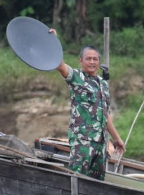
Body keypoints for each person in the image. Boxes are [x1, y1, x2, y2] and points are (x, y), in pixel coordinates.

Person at [50, 31, 125, 181]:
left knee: (96, 183)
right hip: (82, 140)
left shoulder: (103, 84)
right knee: (76, 179)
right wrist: (53, 41)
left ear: (99, 61)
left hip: (100, 143)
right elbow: (59, 65)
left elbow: (105, 114)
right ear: (81, 61)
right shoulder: (77, 77)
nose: (92, 62)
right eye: (88, 59)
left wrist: (117, 138)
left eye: (95, 59)